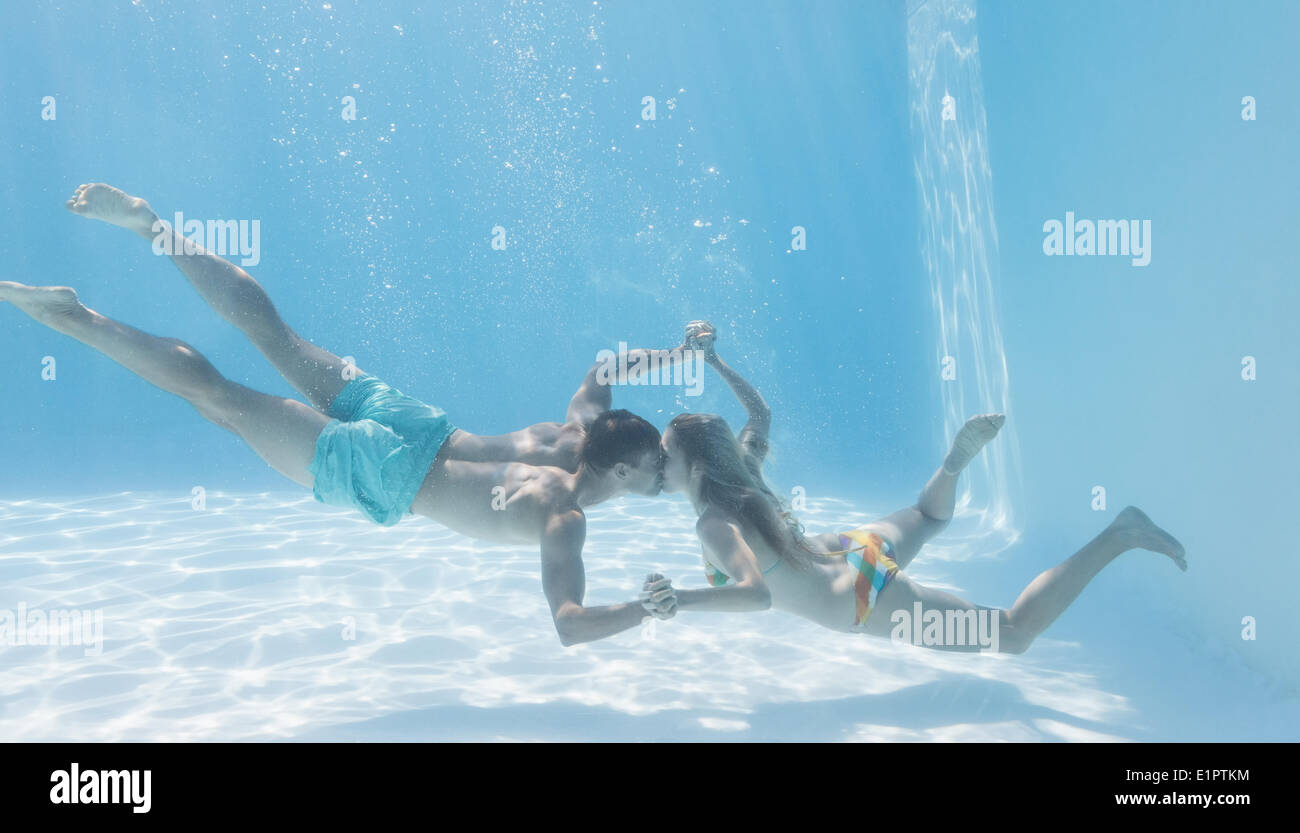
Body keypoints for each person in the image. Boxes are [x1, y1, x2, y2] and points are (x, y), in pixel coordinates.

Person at [0, 182, 679, 646]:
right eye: (655, 470)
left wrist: (680, 353)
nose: (664, 476)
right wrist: (645, 608)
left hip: (419, 422)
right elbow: (569, 623)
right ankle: (76, 318)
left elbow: (602, 371)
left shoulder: (573, 433)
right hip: (393, 475)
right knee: (223, 401)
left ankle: (151, 224)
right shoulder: (564, 514)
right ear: (620, 467)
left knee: (278, 336)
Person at [640, 322, 1186, 653]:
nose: (658, 462)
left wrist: (676, 601)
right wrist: (713, 359)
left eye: (666, 452)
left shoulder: (713, 521)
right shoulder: (745, 472)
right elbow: (758, 411)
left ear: (692, 463)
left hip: (861, 599)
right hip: (853, 547)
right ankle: (950, 467)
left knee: (1013, 634)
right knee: (930, 517)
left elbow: (755, 594)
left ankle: (1120, 534)